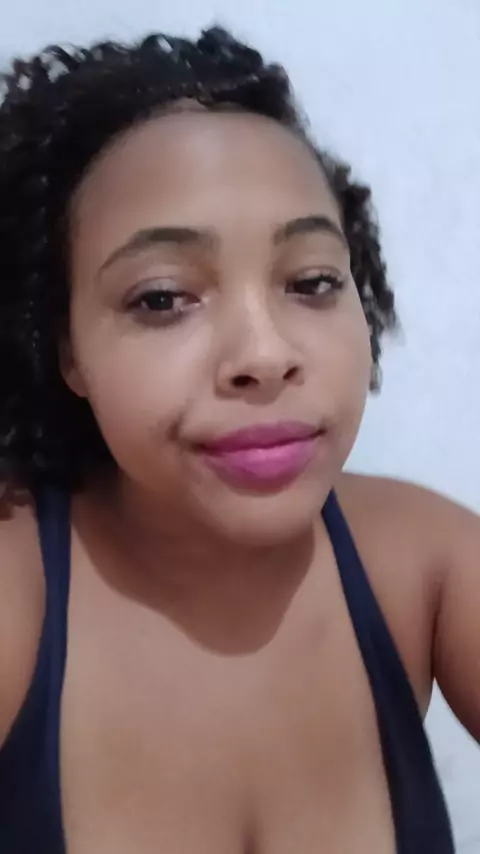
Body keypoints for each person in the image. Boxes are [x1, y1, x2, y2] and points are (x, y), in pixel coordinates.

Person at [0, 24, 477, 854]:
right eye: (162, 298)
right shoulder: (17, 598)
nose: (264, 354)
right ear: (66, 347)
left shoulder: (428, 568)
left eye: (312, 282)